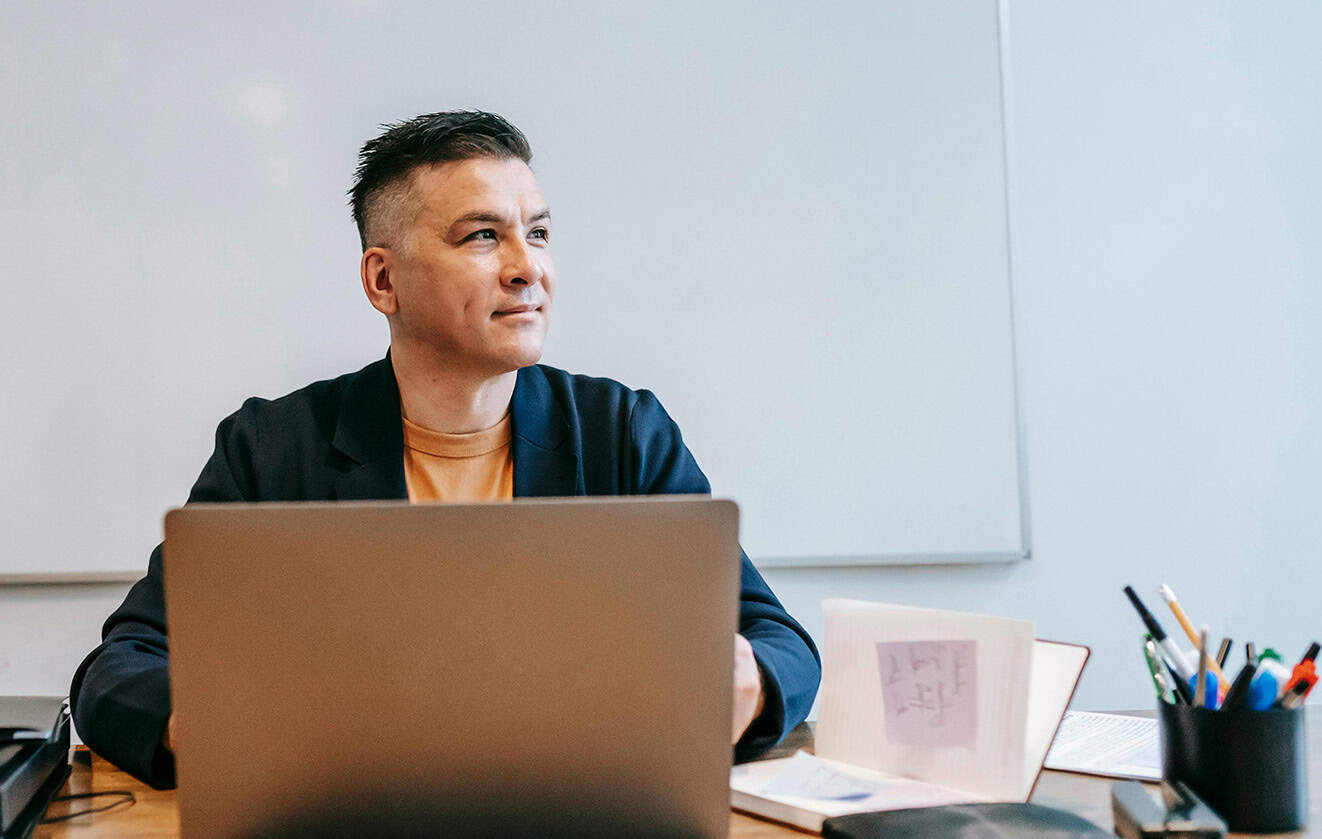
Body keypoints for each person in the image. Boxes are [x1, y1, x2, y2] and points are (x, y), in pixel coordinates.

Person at [69, 110, 821, 789]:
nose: (528, 267)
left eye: (539, 233)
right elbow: (118, 667)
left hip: (577, 804)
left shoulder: (621, 431)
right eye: (483, 236)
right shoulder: (272, 449)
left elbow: (780, 642)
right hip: (347, 808)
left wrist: (749, 683)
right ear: (383, 279)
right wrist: (205, 725)